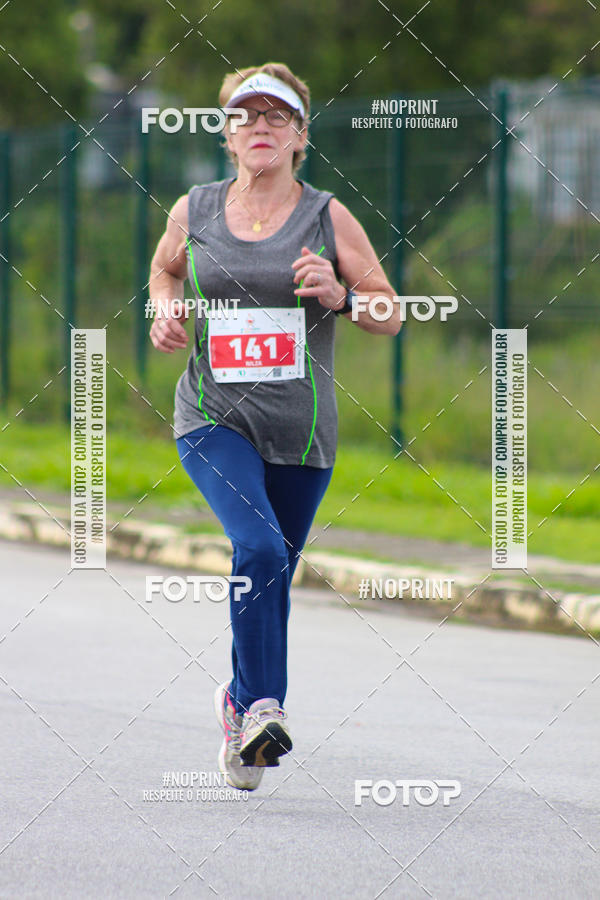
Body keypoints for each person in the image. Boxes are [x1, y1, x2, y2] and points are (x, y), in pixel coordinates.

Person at [149, 62, 401, 791]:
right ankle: (265, 707)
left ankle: (235, 704)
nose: (260, 126)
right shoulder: (192, 210)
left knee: (271, 574)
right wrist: (167, 310)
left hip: (301, 433)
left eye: (276, 116)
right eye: (244, 116)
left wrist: (342, 294)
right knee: (256, 545)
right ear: (228, 137)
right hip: (211, 417)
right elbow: (164, 272)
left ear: (299, 137)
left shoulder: (327, 217)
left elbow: (390, 312)